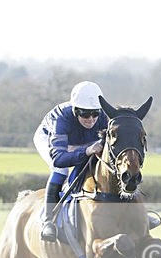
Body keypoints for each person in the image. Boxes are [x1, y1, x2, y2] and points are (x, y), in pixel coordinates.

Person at [34, 81, 107, 242]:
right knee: (60, 169)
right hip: (50, 139)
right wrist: (86, 151)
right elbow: (59, 159)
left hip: (82, 141)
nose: (91, 119)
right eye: (85, 114)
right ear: (75, 111)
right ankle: (48, 221)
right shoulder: (61, 118)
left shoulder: (103, 117)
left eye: (95, 113)